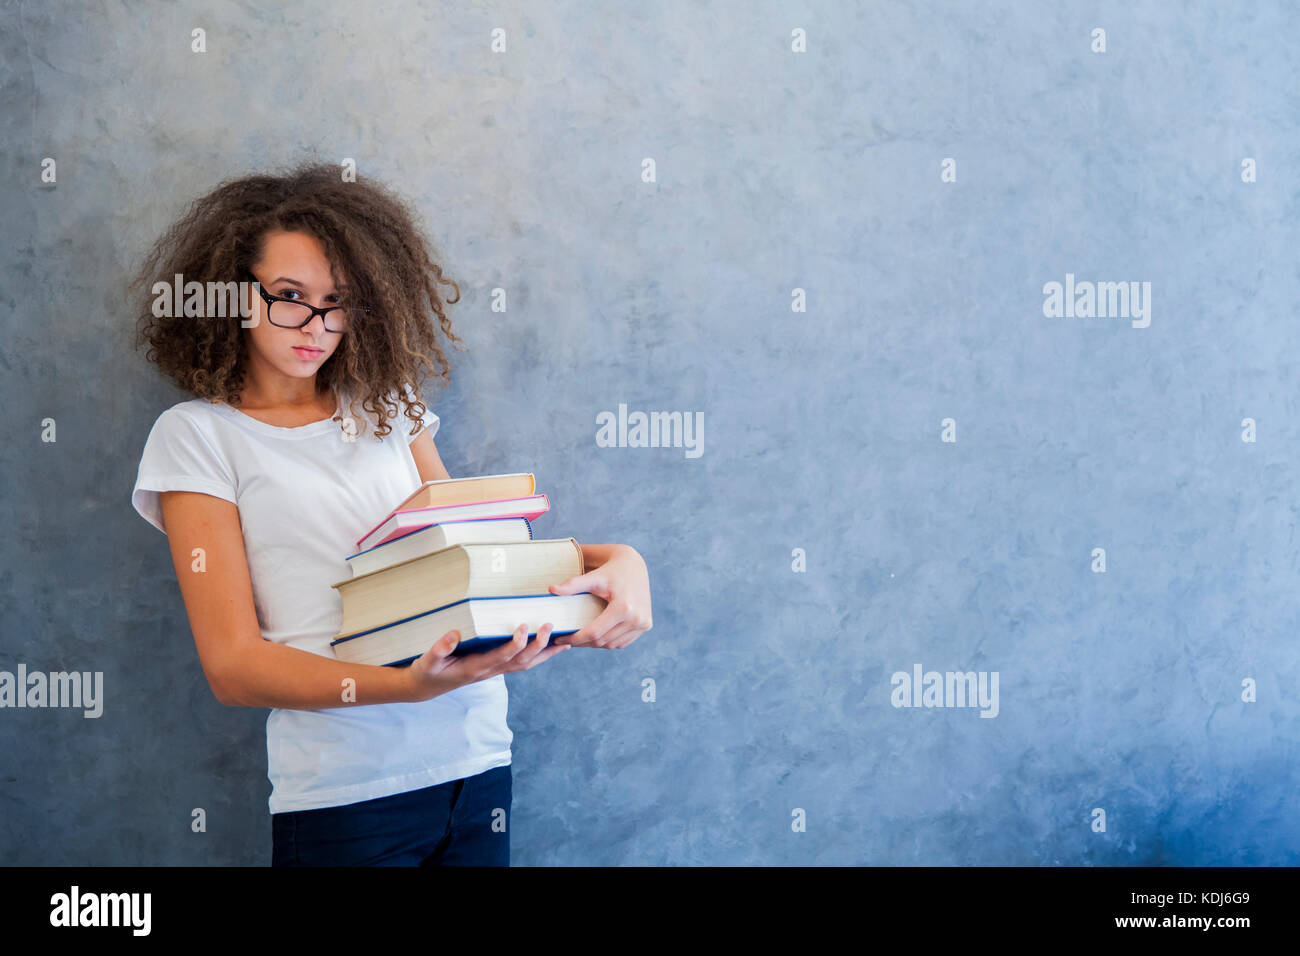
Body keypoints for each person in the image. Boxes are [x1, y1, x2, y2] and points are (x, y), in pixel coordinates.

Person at [128, 161, 653, 866]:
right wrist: (406, 687)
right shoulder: (197, 436)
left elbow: (464, 560)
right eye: (289, 296)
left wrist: (616, 562)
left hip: (475, 763)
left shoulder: (389, 406)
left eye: (337, 302)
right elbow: (234, 666)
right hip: (349, 795)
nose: (317, 325)